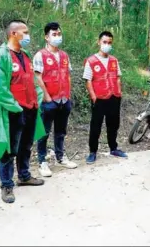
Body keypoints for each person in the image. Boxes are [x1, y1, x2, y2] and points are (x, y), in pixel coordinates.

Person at [0, 20, 46, 204]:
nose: (28, 36)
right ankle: (6, 184)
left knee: (26, 145)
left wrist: (37, 99)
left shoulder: (25, 54)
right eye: (24, 32)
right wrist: (15, 106)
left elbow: (32, 80)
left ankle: (24, 175)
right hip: (14, 111)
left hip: (31, 108)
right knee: (9, 149)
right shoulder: (1, 56)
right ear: (13, 34)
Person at [33, 22, 77, 177]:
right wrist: (46, 97)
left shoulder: (64, 55)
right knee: (44, 132)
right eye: (54, 34)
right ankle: (42, 161)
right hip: (49, 101)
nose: (57, 37)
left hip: (64, 100)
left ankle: (60, 157)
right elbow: (37, 77)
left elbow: (68, 75)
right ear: (47, 37)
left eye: (59, 34)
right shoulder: (40, 55)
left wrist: (68, 95)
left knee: (60, 131)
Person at [83, 31, 127, 164]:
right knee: (96, 125)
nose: (107, 45)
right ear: (99, 42)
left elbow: (118, 76)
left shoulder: (114, 60)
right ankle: (92, 152)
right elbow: (88, 80)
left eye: (109, 43)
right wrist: (93, 97)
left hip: (114, 96)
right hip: (99, 98)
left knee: (113, 124)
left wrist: (119, 91)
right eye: (105, 42)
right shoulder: (91, 61)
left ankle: (113, 148)